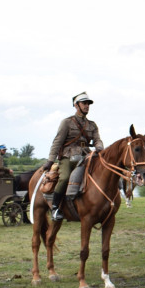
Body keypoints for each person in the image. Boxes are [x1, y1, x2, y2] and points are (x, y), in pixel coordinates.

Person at [45, 92, 104, 221]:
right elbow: (57, 142)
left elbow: (97, 139)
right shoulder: (66, 122)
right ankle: (55, 208)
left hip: (86, 155)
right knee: (65, 177)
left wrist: (100, 148)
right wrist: (50, 160)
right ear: (76, 105)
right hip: (68, 156)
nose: (87, 106)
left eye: (88, 103)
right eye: (84, 103)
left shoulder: (92, 125)